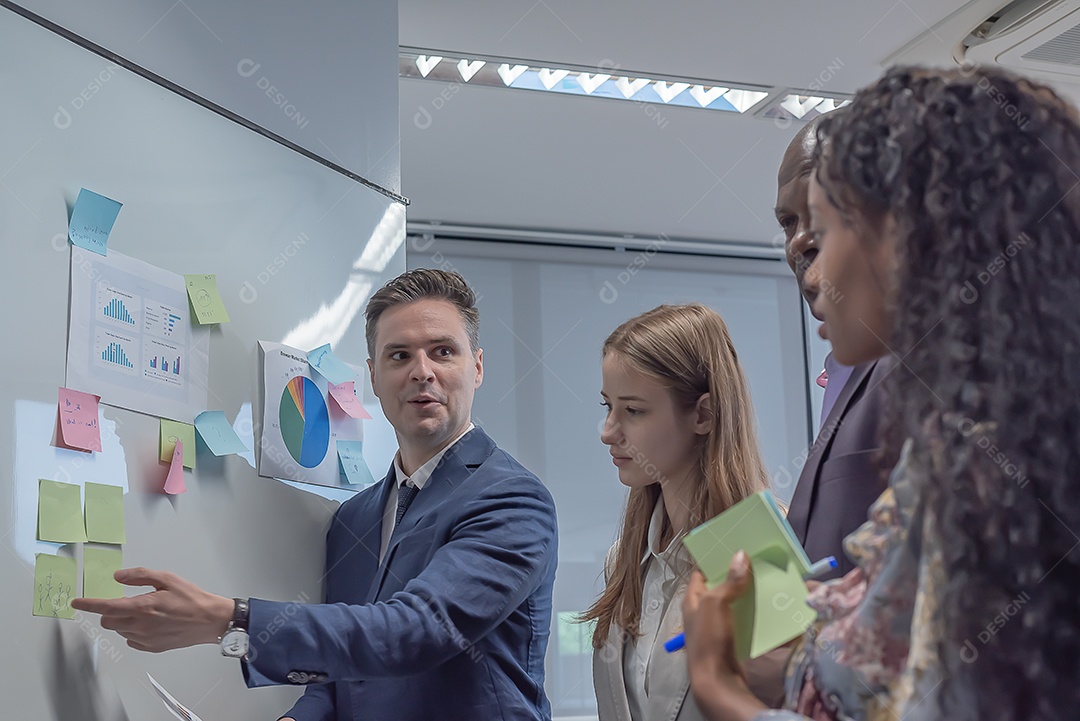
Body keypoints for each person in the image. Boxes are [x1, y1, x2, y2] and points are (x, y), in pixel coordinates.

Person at [683, 65, 1080, 721]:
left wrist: (717, 686)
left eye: (824, 226)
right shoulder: (987, 427)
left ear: (905, 237)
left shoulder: (976, 463)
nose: (808, 257)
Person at [73, 269, 559, 721]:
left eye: (443, 352)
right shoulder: (355, 517)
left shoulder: (511, 501)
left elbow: (413, 634)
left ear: (476, 367)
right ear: (372, 375)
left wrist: (230, 618)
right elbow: (343, 669)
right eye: (400, 355)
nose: (421, 371)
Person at [585, 304, 786, 720]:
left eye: (633, 411)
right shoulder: (623, 559)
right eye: (607, 406)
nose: (607, 432)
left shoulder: (763, 550)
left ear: (703, 414)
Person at [774, 113, 891, 579]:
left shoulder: (948, 368)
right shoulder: (844, 371)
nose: (799, 241)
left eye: (822, 217)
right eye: (788, 222)